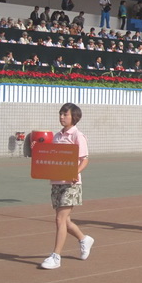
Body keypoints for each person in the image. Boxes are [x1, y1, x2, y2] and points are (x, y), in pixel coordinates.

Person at [40, 103, 94, 269]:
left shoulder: (78, 136)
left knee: (60, 219)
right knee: (66, 221)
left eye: (65, 114)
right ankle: (84, 239)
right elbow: (52, 156)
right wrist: (38, 150)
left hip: (71, 184)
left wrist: (75, 172)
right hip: (56, 182)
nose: (62, 117)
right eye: (61, 114)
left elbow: (84, 159)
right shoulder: (57, 136)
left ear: (74, 117)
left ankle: (56, 256)